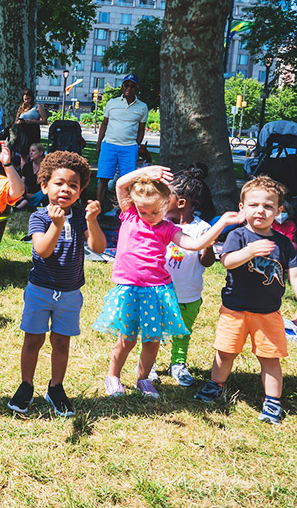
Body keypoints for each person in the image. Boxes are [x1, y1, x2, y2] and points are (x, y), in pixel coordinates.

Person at [93, 166, 240, 399]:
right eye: (145, 212)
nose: (150, 217)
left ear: (165, 205)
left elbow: (195, 244)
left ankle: (142, 379)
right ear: (135, 207)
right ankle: (113, 376)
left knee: (152, 342)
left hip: (157, 292)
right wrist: (147, 171)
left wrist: (221, 223)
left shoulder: (168, 228)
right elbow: (121, 183)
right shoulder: (130, 216)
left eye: (155, 212)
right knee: (127, 340)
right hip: (130, 290)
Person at [194, 177, 297, 424]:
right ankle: (216, 383)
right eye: (254, 205)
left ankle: (272, 401)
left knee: (270, 358)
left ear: (279, 211)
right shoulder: (237, 236)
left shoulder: (283, 243)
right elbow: (227, 261)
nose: (260, 210)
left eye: (268, 206)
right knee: (225, 352)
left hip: (268, 312)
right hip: (234, 309)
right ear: (242, 208)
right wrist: (249, 252)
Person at [7, 152, 105, 417]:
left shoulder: (79, 217)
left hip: (71, 293)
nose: (66, 189)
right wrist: (56, 225)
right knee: (33, 340)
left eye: (73, 185)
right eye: (59, 183)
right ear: (44, 186)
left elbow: (98, 247)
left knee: (62, 342)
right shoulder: (39, 217)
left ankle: (56, 387)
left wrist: (92, 221)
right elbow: (43, 249)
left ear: (80, 190)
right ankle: (26, 385)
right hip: (40, 290)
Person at [149, 165, 216, 387]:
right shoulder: (158, 225)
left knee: (182, 332)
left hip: (188, 295)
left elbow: (207, 262)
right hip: (158, 292)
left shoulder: (202, 229)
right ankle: (147, 365)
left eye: (163, 197)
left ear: (180, 203)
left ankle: (177, 364)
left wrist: (208, 248)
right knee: (152, 330)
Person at [95, 74, 149, 208]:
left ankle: (125, 212)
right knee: (103, 179)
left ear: (137, 88)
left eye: (132, 86)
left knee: (128, 182)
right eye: (126, 85)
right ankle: (98, 210)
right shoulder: (112, 103)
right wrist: (99, 144)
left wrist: (136, 145)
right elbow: (104, 124)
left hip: (129, 148)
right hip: (109, 145)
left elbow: (141, 129)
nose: (129, 88)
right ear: (122, 86)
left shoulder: (142, 107)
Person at [15, 143, 47, 211]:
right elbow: (22, 183)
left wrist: (33, 195)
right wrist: (24, 194)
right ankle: (26, 203)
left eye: (33, 151)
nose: (30, 153)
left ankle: (24, 204)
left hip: (40, 194)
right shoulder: (27, 166)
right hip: (27, 194)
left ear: (41, 152)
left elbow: (47, 186)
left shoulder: (46, 167)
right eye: (30, 151)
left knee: (44, 194)